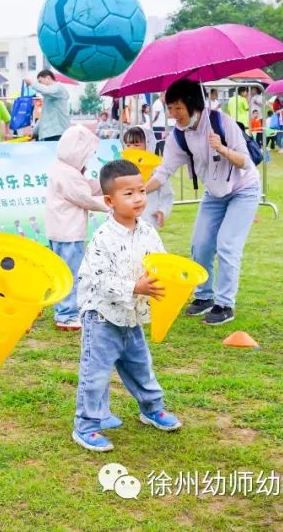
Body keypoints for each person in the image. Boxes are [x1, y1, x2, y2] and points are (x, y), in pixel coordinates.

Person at [72, 159, 182, 452]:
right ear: (109, 201)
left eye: (142, 191)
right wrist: (134, 287)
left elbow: (158, 261)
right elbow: (96, 279)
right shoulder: (103, 238)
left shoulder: (147, 231)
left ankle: (152, 408)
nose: (138, 199)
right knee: (95, 375)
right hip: (102, 318)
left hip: (131, 317)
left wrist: (167, 280)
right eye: (129, 194)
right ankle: (86, 426)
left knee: (141, 368)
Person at [145, 80, 260, 326]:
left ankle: (225, 304)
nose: (173, 114)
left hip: (243, 189)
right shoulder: (177, 135)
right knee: (200, 244)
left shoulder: (221, 122)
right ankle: (204, 296)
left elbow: (245, 162)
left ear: (191, 104)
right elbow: (164, 171)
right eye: (170, 108)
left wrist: (222, 148)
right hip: (214, 192)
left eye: (178, 108)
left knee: (227, 244)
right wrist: (138, 191)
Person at [45, 125, 107, 331]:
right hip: (68, 233)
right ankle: (67, 314)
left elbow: (86, 186)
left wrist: (107, 184)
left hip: (59, 232)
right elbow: (84, 197)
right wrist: (112, 204)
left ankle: (65, 310)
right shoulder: (68, 173)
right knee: (71, 274)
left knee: (63, 272)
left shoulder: (62, 167)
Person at [122, 127, 173, 229]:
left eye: (136, 145)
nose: (131, 148)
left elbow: (167, 194)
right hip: (126, 218)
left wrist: (162, 211)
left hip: (148, 217)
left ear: (148, 144)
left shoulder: (157, 168)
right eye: (128, 145)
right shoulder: (122, 167)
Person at [25, 70, 70, 142]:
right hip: (50, 134)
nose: (40, 84)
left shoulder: (58, 88)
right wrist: (34, 132)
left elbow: (46, 90)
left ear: (48, 78)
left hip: (57, 134)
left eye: (40, 81)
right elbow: (43, 118)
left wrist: (31, 83)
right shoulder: (48, 97)